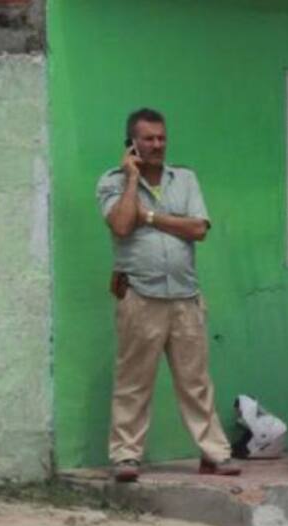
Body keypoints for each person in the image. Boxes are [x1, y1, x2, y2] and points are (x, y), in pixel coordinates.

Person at [96, 107, 240, 483]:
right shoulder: (111, 182)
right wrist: (131, 178)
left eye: (161, 137)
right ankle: (126, 457)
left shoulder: (185, 179)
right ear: (131, 143)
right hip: (139, 296)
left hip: (185, 297)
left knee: (196, 381)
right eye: (148, 138)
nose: (157, 144)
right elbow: (123, 223)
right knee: (133, 381)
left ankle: (214, 453)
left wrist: (152, 217)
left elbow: (198, 229)